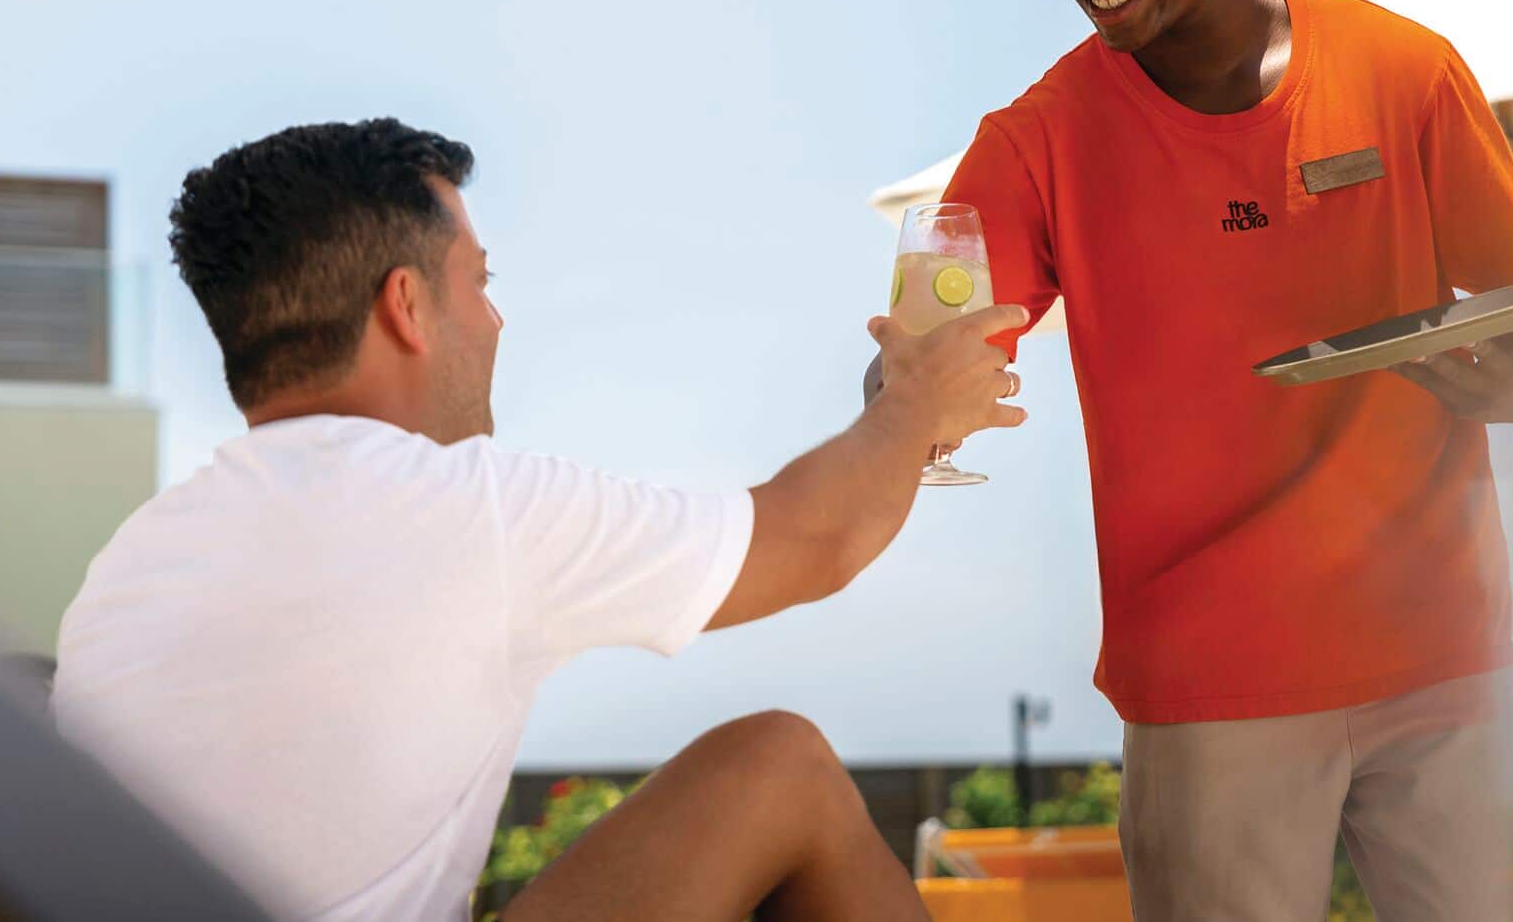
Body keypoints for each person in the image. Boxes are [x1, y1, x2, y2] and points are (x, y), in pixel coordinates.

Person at [869, 0, 1513, 920]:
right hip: (1208, 691)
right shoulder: (1035, 141)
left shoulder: (1404, 74)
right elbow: (930, 358)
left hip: (1444, 659)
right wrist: (904, 393)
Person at [53, 118, 1027, 922]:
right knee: (779, 768)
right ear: (406, 305)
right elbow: (815, 541)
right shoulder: (456, 505)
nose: (496, 320)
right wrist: (914, 405)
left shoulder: (129, 567)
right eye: (479, 280)